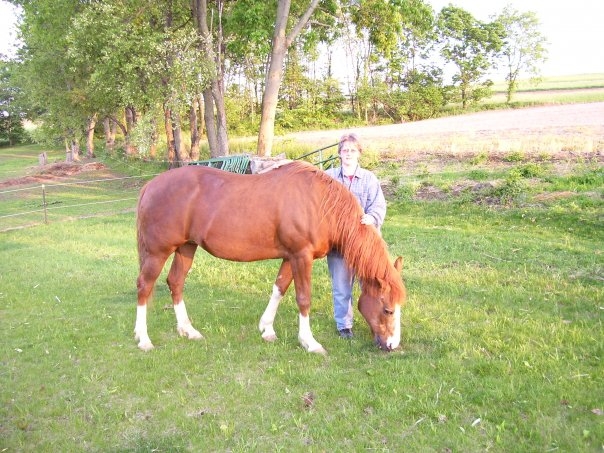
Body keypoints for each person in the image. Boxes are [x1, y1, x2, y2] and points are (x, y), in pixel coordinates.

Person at [325, 133, 387, 338]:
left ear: (359, 153)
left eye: (352, 150)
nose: (348, 154)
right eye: (345, 150)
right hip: (338, 246)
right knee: (342, 288)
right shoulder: (329, 177)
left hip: (364, 245)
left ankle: (377, 320)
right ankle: (344, 325)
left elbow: (379, 205)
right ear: (339, 154)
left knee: (371, 287)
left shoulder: (369, 178)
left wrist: (372, 217)